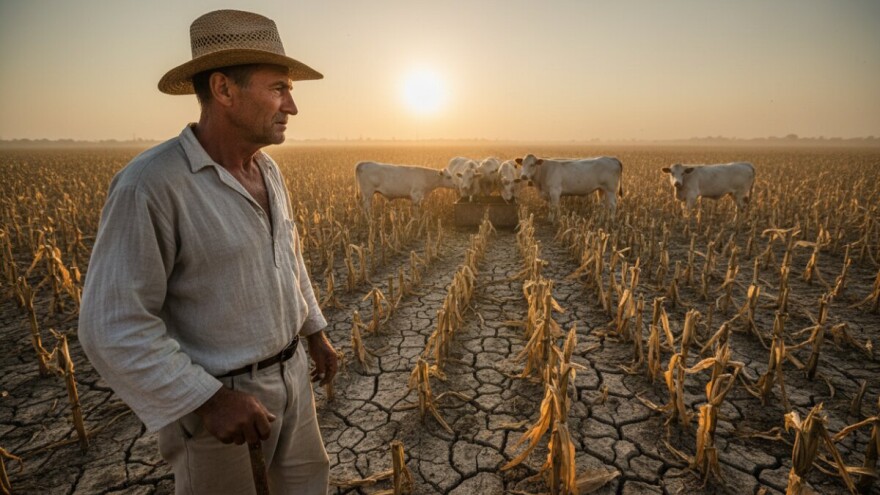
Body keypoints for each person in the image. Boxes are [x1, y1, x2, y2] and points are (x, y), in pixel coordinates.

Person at [78, 9, 338, 494]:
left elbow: (288, 259)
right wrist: (208, 400)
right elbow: (111, 325)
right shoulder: (151, 186)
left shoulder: (267, 171)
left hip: (294, 381)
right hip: (223, 407)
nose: (292, 106)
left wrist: (314, 332)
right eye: (279, 88)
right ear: (223, 90)